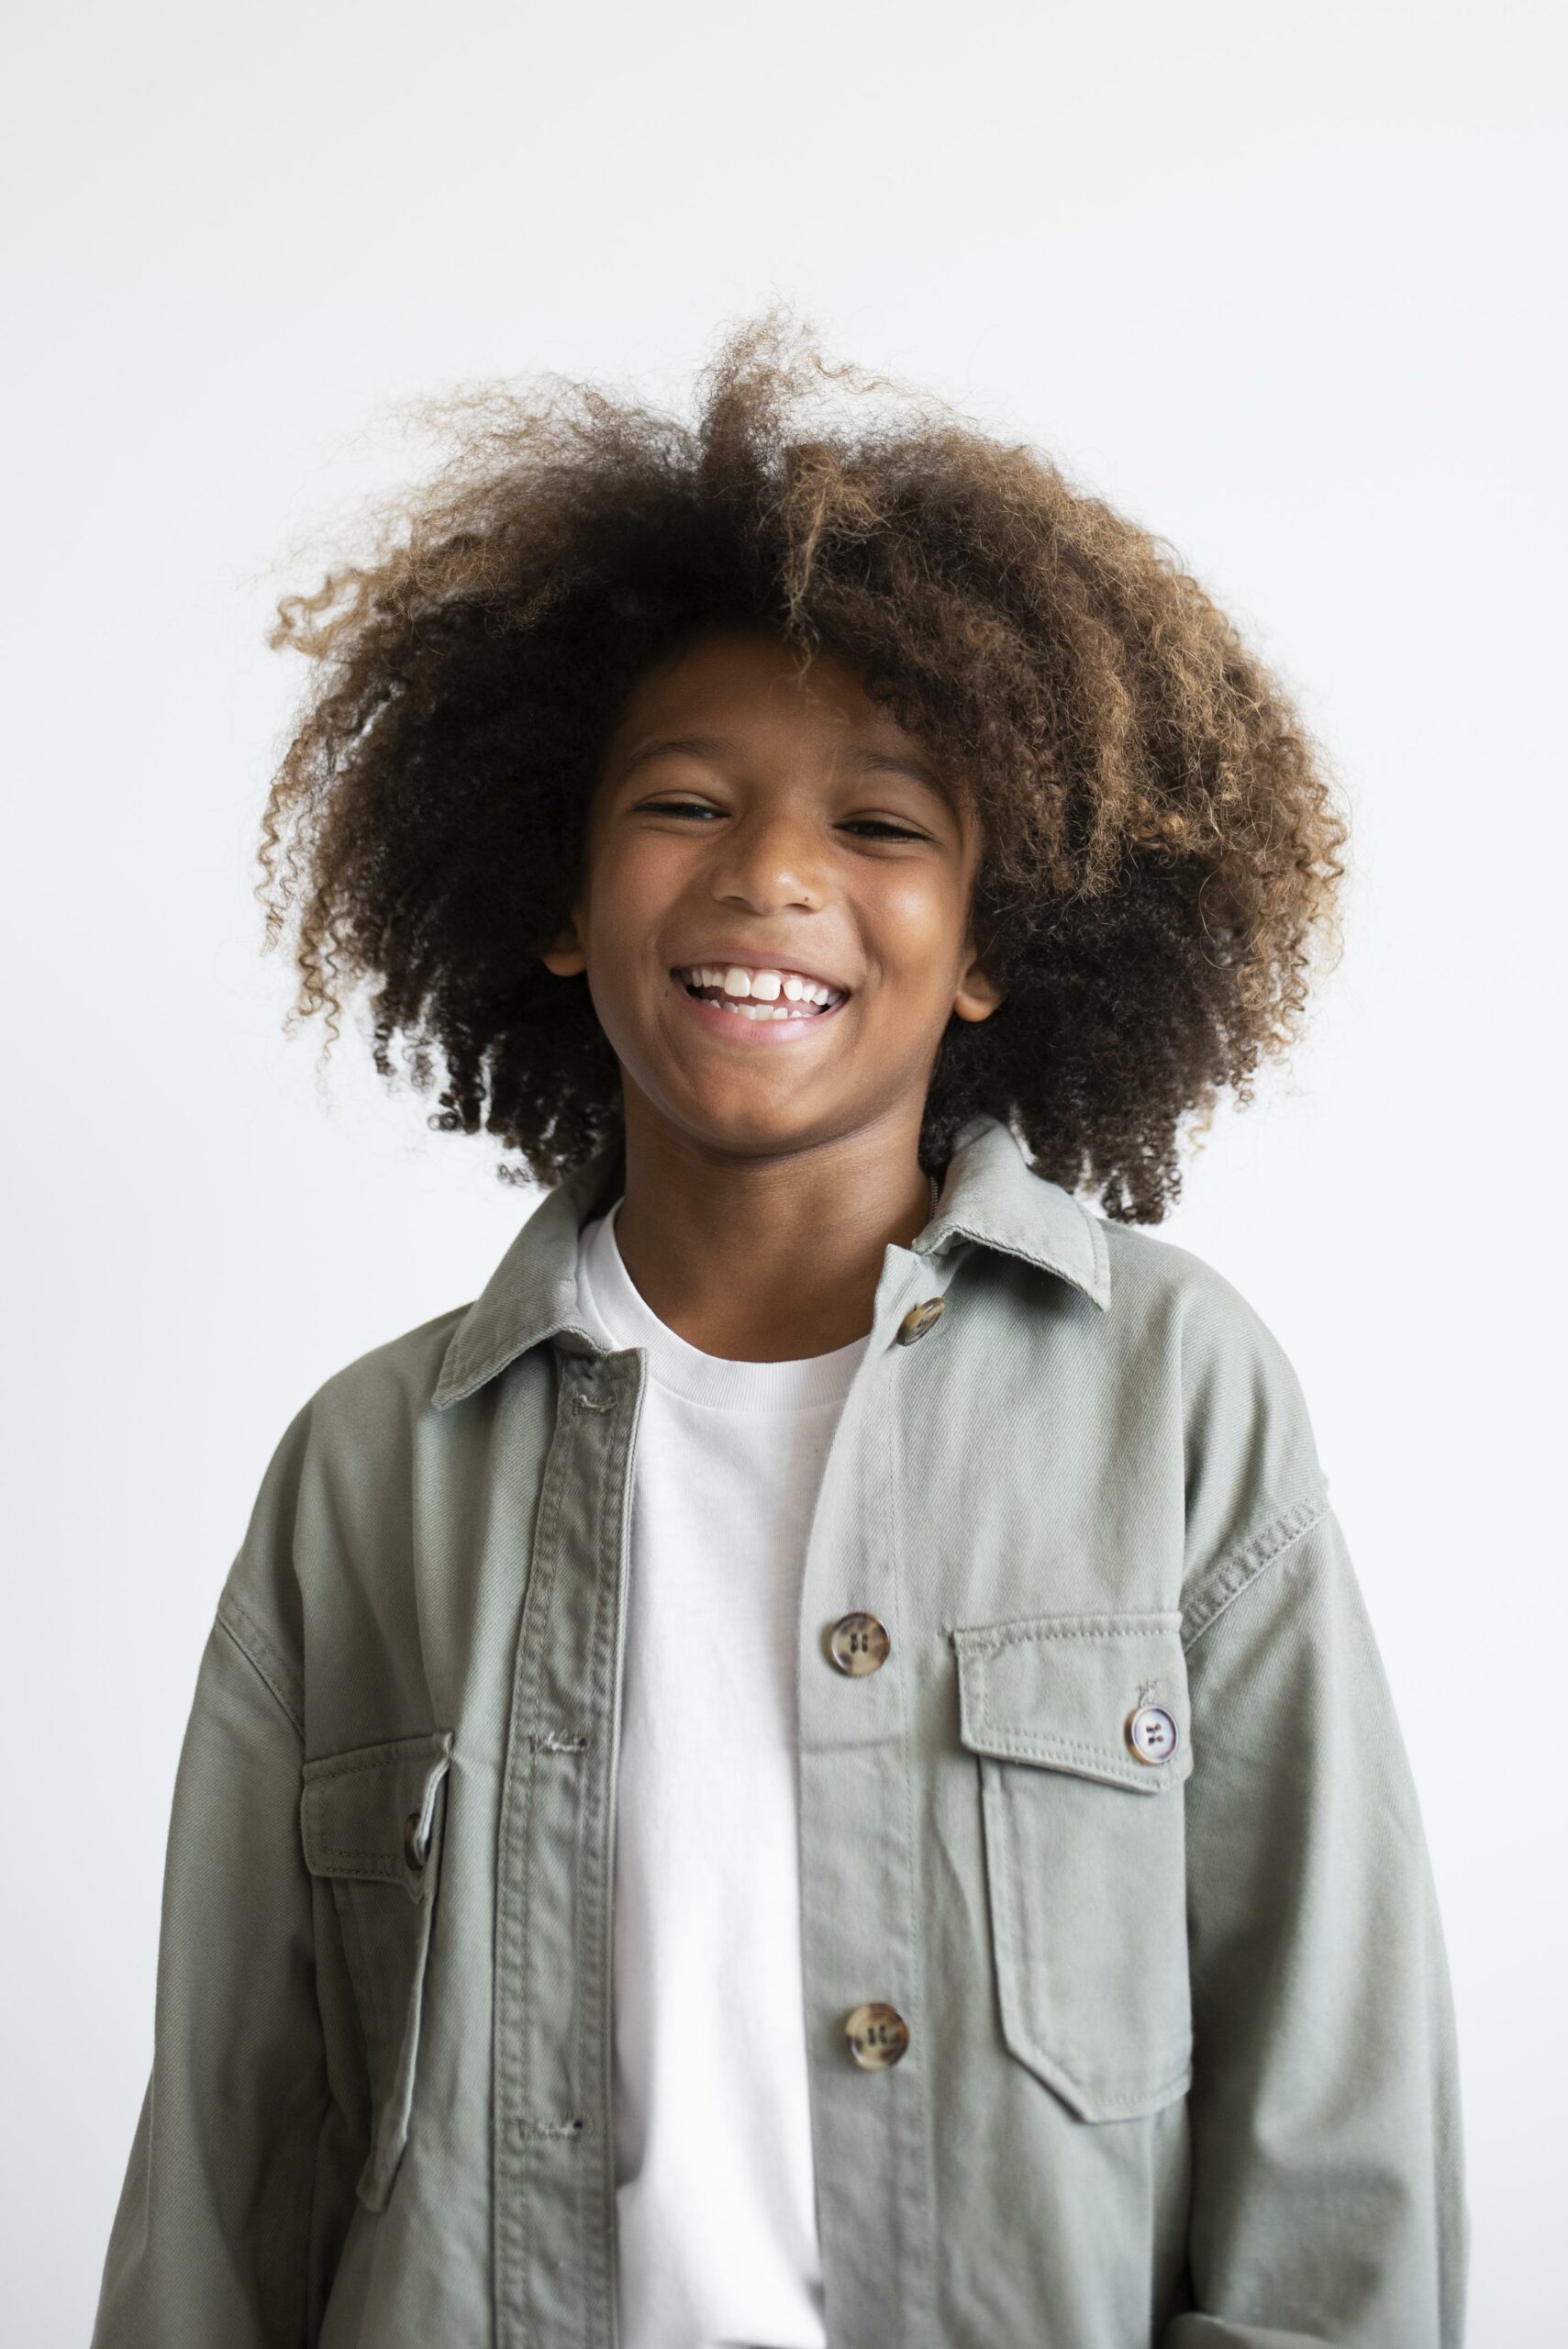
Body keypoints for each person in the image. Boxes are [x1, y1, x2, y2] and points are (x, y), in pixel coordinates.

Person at [90, 312, 1467, 2348]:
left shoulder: (1175, 1398)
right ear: (558, 893)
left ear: (995, 940)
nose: (772, 877)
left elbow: (1334, 2132)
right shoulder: (366, 1473)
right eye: (683, 804)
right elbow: (227, 2160)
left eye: (885, 825)